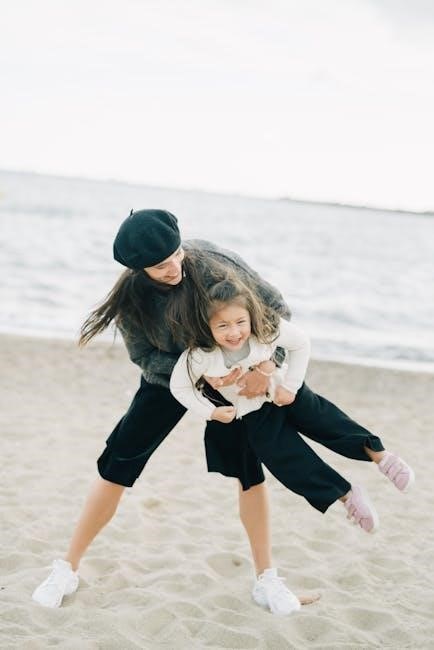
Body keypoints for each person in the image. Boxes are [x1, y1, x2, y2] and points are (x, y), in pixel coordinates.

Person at [32, 209, 414, 615]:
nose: (175, 267)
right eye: (161, 266)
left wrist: (265, 368)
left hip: (239, 376)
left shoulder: (213, 265)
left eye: (176, 255)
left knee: (249, 471)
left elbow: (275, 312)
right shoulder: (132, 298)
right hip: (170, 381)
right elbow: (143, 356)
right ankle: (66, 569)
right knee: (117, 464)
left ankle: (267, 580)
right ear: (139, 269)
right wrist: (198, 376)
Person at [170, 274, 415, 550]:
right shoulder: (200, 355)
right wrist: (210, 412)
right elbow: (179, 387)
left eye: (240, 322)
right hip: (251, 411)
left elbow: (301, 343)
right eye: (223, 326)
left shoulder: (265, 328)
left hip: (283, 392)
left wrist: (290, 386)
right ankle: (347, 496)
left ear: (250, 316)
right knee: (288, 462)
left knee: (327, 422)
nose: (234, 332)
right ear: (207, 326)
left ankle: (382, 457)